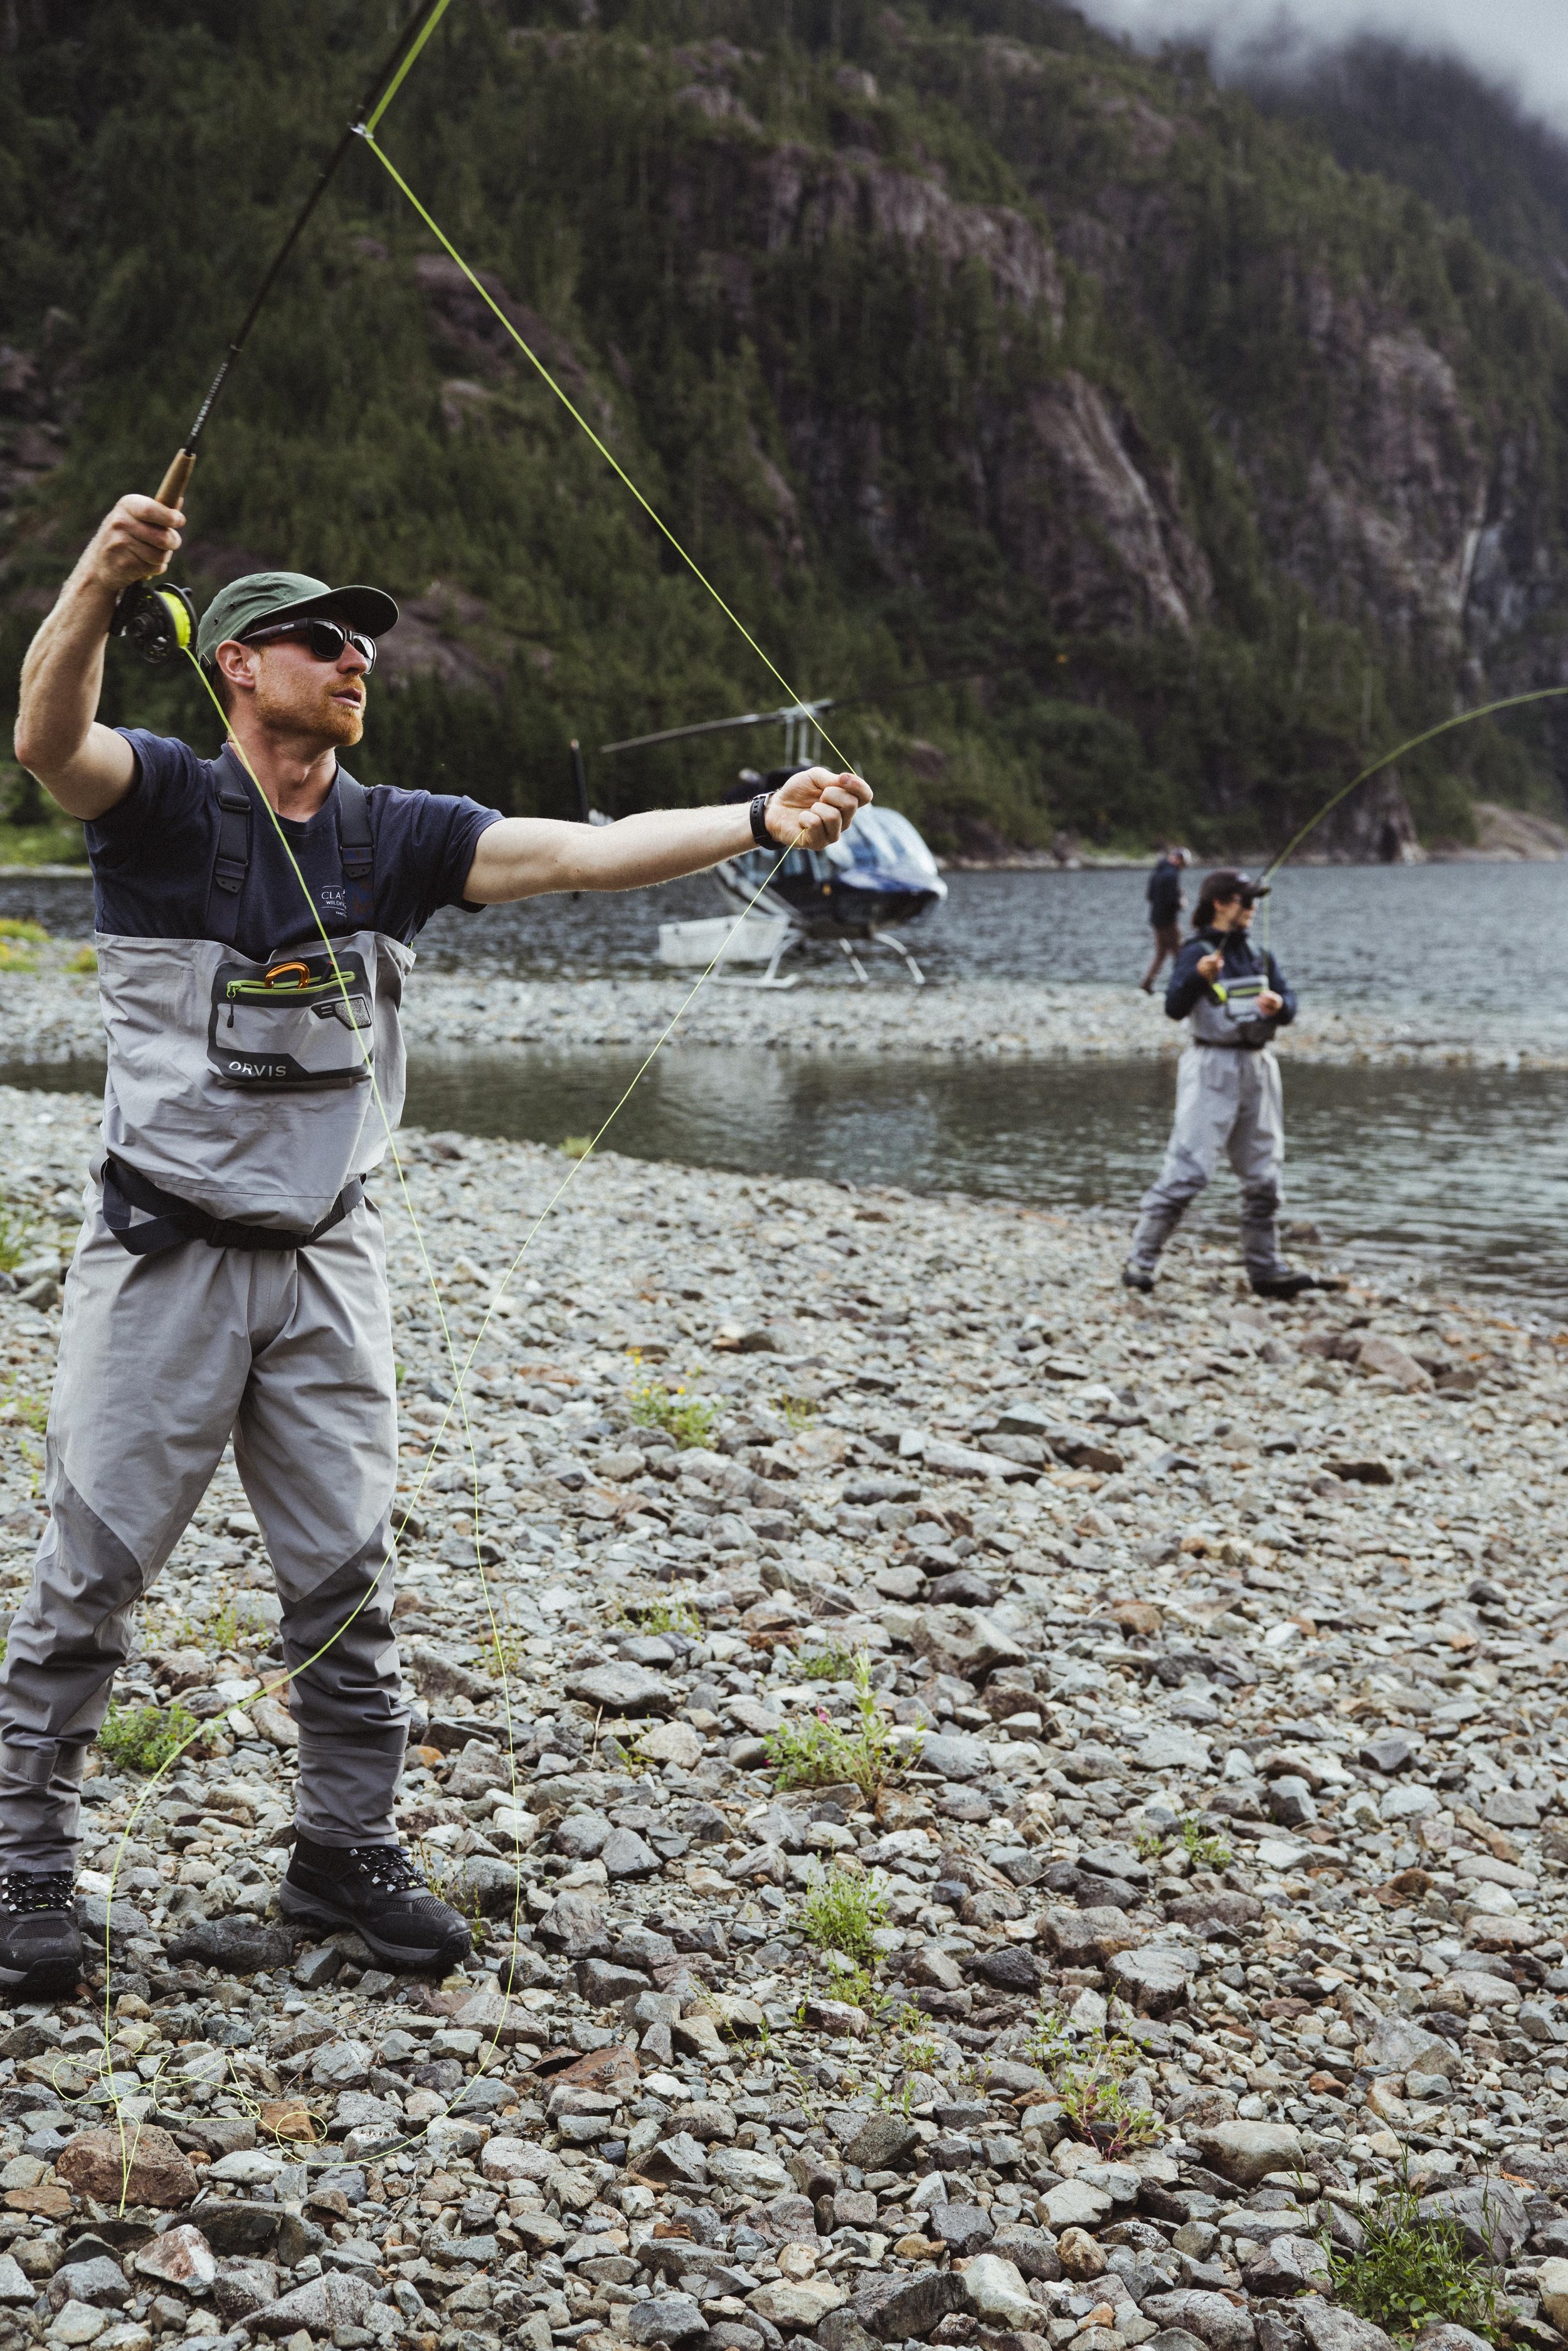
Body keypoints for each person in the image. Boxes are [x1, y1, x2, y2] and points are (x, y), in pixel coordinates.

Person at [3, 488, 872, 1997]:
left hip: (329, 1264)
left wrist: (752, 819)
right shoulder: (154, 804)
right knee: (91, 1572)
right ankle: (23, 1865)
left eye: (363, 645)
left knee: (348, 1577)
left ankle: (342, 1852)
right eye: (317, 639)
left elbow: (583, 855)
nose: (353, 659)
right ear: (235, 668)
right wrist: (93, 584)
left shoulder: (397, 836)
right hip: (165, 1258)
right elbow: (43, 741)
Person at [1124, 867, 1320, 1300]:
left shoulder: (1261, 956)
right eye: (1244, 902)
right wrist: (1198, 976)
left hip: (1259, 1068)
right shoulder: (1195, 951)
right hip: (1211, 1064)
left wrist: (1279, 1006)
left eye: (1254, 903)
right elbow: (1174, 1009)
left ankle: (1266, 1269)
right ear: (1220, 904)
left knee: (1264, 1174)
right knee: (1189, 1170)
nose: (1252, 910)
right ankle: (1141, 1261)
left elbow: (1292, 1006)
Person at [1140, 842, 1188, 992]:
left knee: (1161, 953)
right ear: (1179, 860)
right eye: (1184, 864)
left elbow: (1149, 896)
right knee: (1179, 952)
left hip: (1156, 919)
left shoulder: (1158, 871)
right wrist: (1181, 903)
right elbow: (1171, 901)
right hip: (1168, 921)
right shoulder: (1172, 874)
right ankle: (1181, 985)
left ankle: (1147, 982)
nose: (1183, 868)